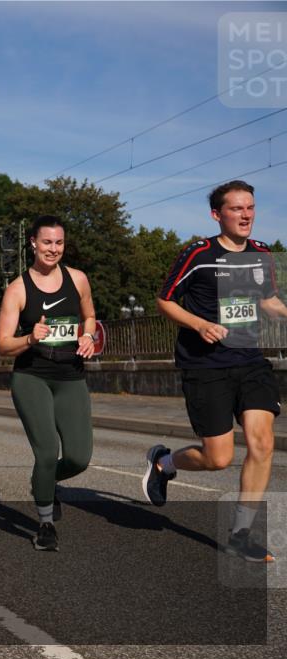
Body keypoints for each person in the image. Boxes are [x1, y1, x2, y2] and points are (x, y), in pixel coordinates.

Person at [145, 180, 284, 563]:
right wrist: (199, 324)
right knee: (218, 457)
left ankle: (241, 535)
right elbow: (164, 301)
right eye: (237, 208)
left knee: (262, 443)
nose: (246, 215)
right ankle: (163, 464)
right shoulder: (198, 254)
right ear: (217, 214)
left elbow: (269, 301)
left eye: (250, 207)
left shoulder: (261, 254)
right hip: (205, 365)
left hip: (250, 360)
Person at [0, 215, 96, 552]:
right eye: (47, 242)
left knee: (79, 457)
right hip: (32, 376)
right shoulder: (18, 289)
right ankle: (45, 524)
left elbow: (89, 316)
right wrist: (29, 338)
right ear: (33, 244)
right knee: (48, 451)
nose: (53, 249)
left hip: (71, 375)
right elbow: (2, 344)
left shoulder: (78, 279)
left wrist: (88, 336)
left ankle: (43, 482)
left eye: (59, 242)